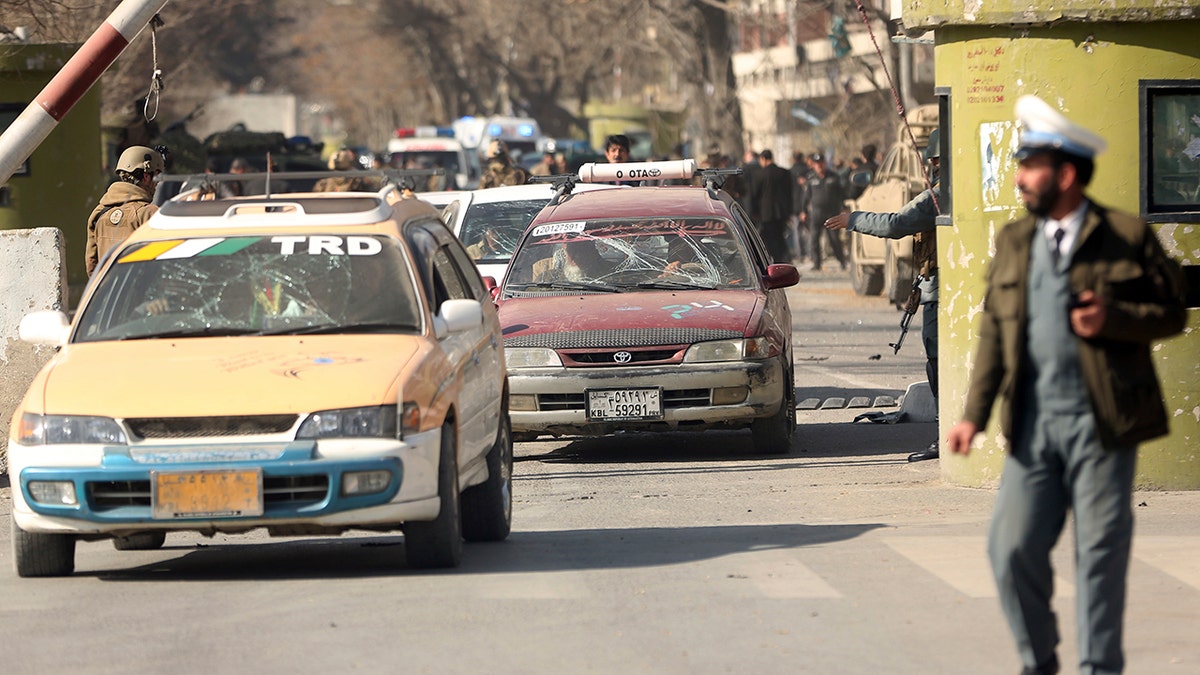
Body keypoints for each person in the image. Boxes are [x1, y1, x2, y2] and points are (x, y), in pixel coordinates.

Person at [946, 95, 1186, 675]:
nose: (1019, 177)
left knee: (1099, 553)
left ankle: (1098, 667)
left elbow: (1171, 313)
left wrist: (1114, 320)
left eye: (1030, 166)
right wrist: (972, 415)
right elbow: (993, 339)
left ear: (1067, 174)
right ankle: (1041, 660)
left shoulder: (1125, 235)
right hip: (1033, 424)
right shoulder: (1014, 243)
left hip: (1105, 421)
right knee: (1010, 549)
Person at [826, 129, 943, 461]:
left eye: (933, 159)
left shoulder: (941, 193)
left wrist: (854, 219)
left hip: (943, 292)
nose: (931, 165)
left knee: (939, 362)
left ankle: (946, 433)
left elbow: (896, 223)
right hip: (935, 286)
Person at [85, 145, 163, 275]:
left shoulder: (98, 213)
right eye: (156, 177)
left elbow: (91, 265)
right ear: (146, 177)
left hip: (109, 292)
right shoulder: (150, 213)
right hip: (141, 292)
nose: (157, 183)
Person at [799, 153, 847, 271]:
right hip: (816, 213)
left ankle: (841, 261)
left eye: (821, 163)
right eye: (816, 164)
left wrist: (844, 207)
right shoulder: (811, 178)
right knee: (814, 239)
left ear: (825, 163)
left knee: (834, 239)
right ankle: (817, 263)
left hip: (831, 212)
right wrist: (803, 211)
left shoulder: (834, 177)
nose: (819, 166)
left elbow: (842, 194)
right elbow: (806, 197)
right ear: (813, 165)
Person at [750, 149, 794, 263]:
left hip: (766, 213)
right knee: (780, 236)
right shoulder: (784, 173)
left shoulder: (759, 175)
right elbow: (789, 193)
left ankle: (776, 260)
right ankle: (784, 259)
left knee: (769, 237)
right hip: (781, 211)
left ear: (763, 159)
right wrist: (789, 211)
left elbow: (754, 194)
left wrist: (753, 211)